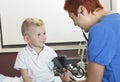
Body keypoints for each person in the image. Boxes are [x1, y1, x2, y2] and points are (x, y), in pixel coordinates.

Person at [60, 0, 120, 82]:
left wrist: (68, 81)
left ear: (82, 10)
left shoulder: (100, 29)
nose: (74, 23)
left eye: (72, 18)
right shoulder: (116, 19)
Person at [14, 18, 57, 82]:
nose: (43, 37)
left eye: (44, 33)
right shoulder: (22, 54)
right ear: (27, 38)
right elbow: (25, 77)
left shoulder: (50, 51)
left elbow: (57, 68)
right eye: (38, 34)